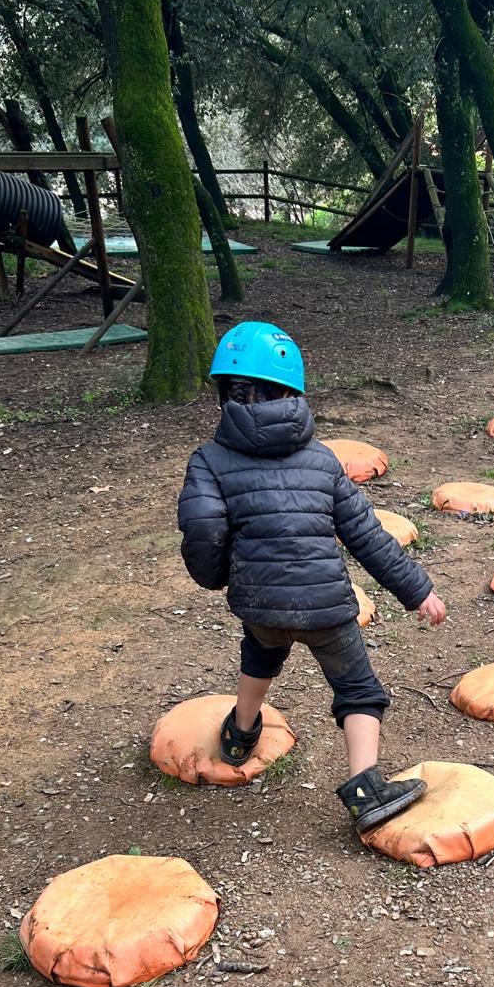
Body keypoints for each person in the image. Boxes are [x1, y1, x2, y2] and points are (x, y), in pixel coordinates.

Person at [178, 321, 447, 834]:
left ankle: (240, 732)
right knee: (358, 690)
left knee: (261, 651)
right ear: (293, 393)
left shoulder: (209, 460)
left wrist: (217, 578)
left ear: (225, 394)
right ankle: (366, 788)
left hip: (259, 605)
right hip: (327, 611)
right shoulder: (322, 460)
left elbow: (203, 527)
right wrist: (418, 591)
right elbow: (367, 534)